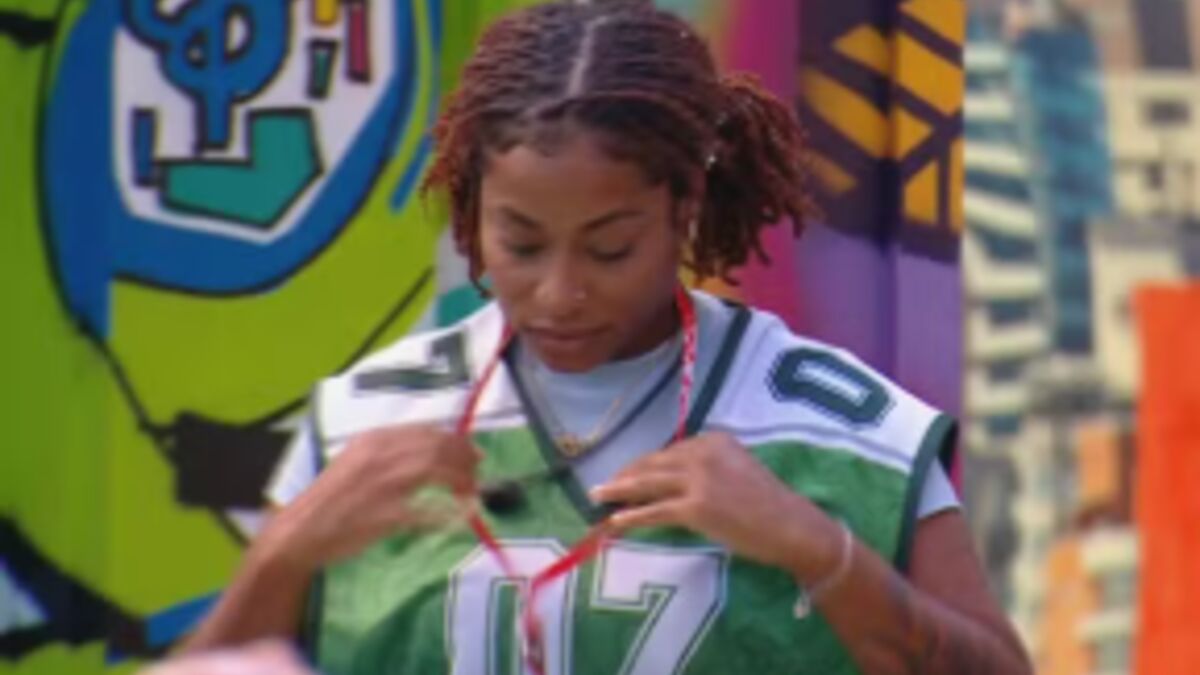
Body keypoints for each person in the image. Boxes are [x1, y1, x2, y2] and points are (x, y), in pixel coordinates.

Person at [184, 2, 1032, 673]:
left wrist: (819, 549)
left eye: (610, 247)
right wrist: (284, 554)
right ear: (473, 210)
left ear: (685, 210)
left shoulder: (846, 430)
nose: (560, 292)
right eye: (521, 243)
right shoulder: (365, 424)